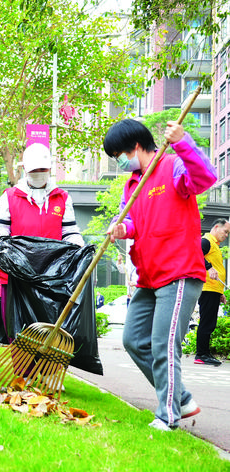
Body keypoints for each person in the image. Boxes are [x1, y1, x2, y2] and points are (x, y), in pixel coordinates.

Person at [104, 118, 216, 431]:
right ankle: (180, 398)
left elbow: (205, 177)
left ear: (134, 146)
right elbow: (131, 220)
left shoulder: (174, 166)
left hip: (179, 272)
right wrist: (120, 228)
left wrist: (183, 141)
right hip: (148, 276)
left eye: (118, 155)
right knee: (133, 340)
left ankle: (168, 417)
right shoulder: (133, 183)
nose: (119, 162)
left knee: (164, 346)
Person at [0, 143, 84, 337]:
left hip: (51, 280)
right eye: (35, 170)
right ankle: (23, 369)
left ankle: (50, 368)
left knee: (50, 336)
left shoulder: (62, 198)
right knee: (19, 334)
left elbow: (69, 231)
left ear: (49, 169)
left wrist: (79, 247)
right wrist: (9, 250)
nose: (39, 173)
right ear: (25, 170)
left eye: (43, 169)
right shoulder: (10, 197)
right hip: (16, 278)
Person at [196, 218, 230, 366]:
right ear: (216, 227)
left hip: (213, 290)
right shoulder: (206, 241)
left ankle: (205, 353)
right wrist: (208, 267)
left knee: (210, 322)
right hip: (207, 289)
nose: (227, 235)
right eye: (226, 231)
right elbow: (195, 253)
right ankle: (201, 355)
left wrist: (220, 293)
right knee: (207, 322)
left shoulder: (214, 245)